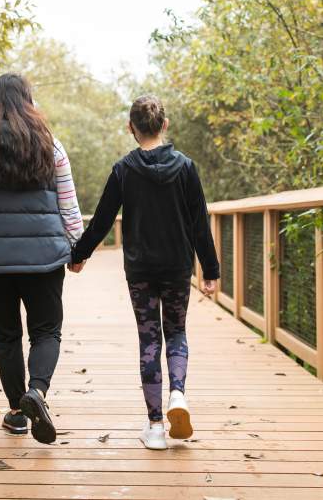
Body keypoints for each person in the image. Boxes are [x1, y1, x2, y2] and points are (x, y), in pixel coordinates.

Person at [71, 94, 219, 450]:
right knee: (177, 332)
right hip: (177, 265)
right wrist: (210, 270)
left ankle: (155, 427)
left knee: (150, 339)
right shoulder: (185, 167)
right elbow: (200, 223)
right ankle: (178, 395)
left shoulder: (124, 170)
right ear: (164, 125)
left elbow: (103, 219)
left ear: (131, 128)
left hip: (140, 269)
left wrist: (78, 254)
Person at [0, 73, 84, 444]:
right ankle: (37, 392)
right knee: (46, 330)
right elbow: (68, 206)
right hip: (43, 257)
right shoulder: (49, 145)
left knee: (6, 335)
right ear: (28, 102)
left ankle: (16, 412)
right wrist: (77, 250)